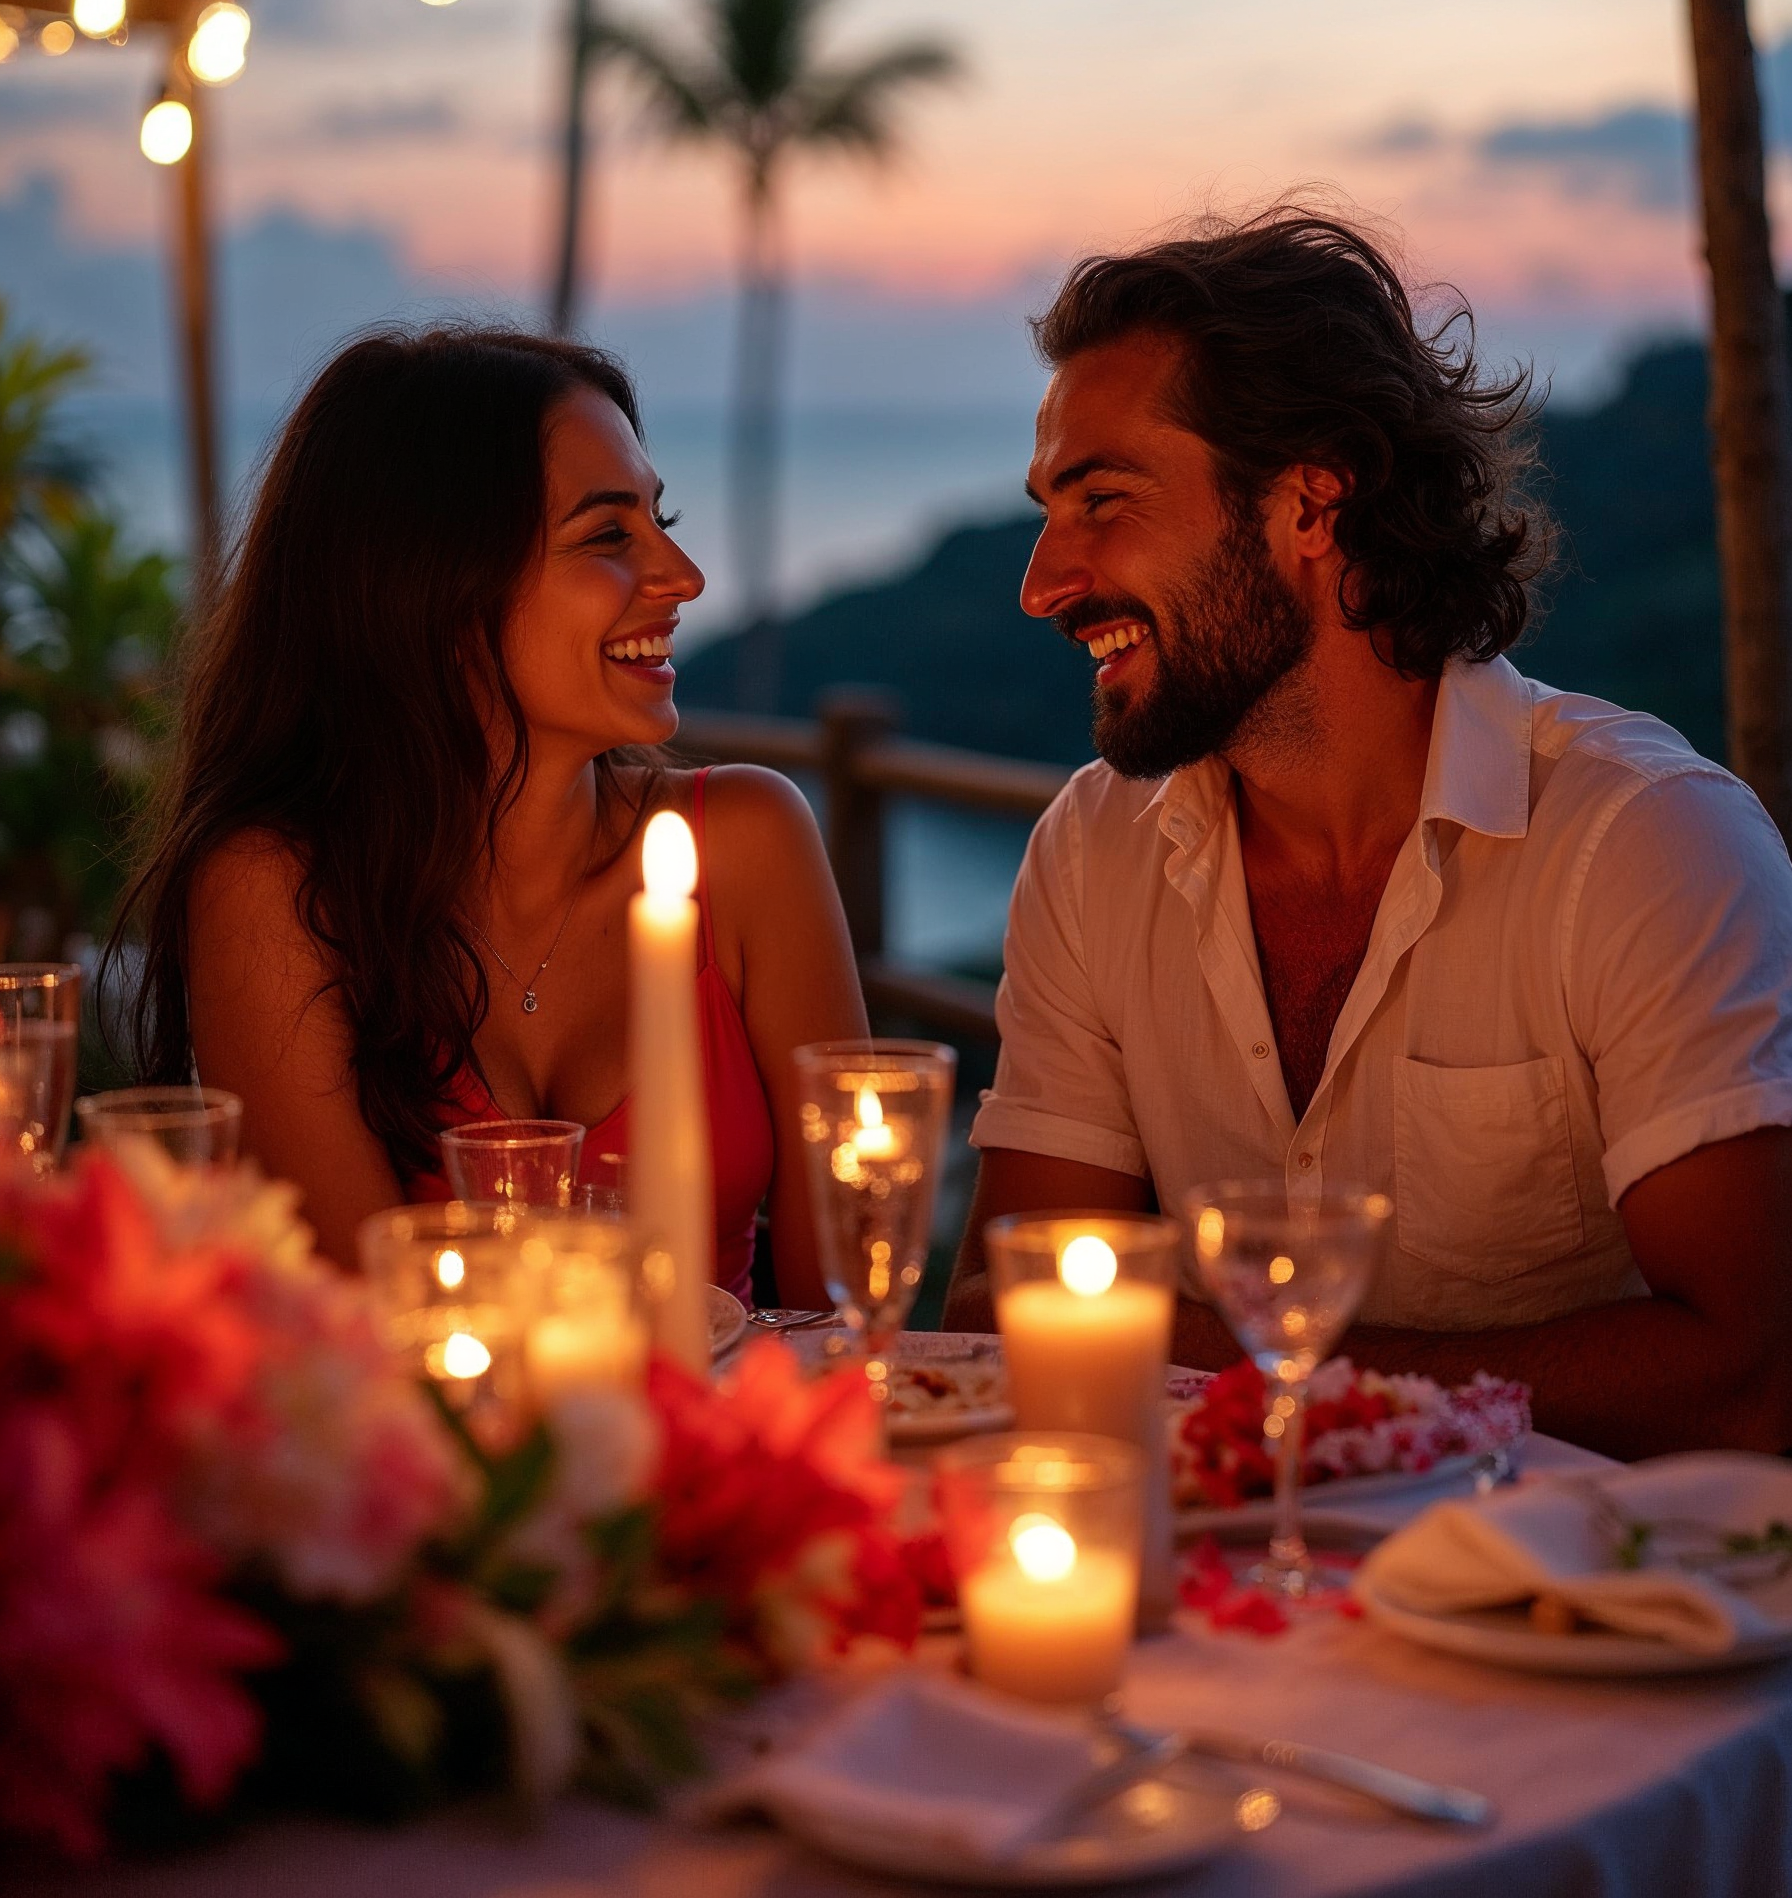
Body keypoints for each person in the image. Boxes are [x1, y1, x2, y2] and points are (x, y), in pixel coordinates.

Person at [944, 208, 1792, 1460]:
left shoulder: (1641, 847)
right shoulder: (1093, 852)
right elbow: (994, 1314)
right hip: (1227, 1609)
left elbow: (1752, 1377)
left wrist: (1269, 1367)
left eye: (1102, 500)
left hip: (1580, 1620)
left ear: (1308, 498)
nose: (1043, 582)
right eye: (1047, 511)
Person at [116, 327, 862, 1297]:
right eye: (608, 536)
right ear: (434, 589)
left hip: (732, 1438)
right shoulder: (277, 893)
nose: (683, 576)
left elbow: (846, 1324)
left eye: (659, 518)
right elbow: (361, 1336)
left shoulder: (749, 844)